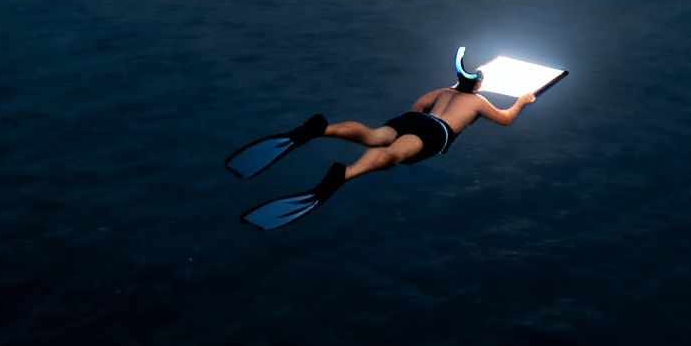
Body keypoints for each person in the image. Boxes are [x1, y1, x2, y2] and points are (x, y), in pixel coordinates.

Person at [228, 47, 538, 230]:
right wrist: (523, 100)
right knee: (394, 155)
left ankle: (322, 129)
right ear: (479, 86)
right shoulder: (478, 102)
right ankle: (344, 175)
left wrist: (424, 117)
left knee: (375, 135)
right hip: (435, 133)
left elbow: (417, 105)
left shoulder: (444, 90)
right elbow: (506, 120)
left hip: (414, 119)